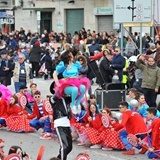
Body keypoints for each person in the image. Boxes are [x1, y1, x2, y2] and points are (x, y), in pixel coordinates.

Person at [53, 50, 90, 114]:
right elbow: (55, 74)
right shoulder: (64, 65)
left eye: (72, 55)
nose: (72, 56)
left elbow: (78, 72)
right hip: (67, 84)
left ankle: (78, 103)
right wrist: (58, 84)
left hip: (75, 82)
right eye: (70, 55)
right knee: (74, 89)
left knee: (83, 88)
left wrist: (76, 77)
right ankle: (72, 105)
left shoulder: (76, 64)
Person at [49, 89, 72, 160]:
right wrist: (60, 89)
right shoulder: (52, 98)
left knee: (69, 147)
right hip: (59, 123)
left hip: (67, 123)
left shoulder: (66, 98)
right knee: (64, 146)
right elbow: (56, 96)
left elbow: (76, 95)